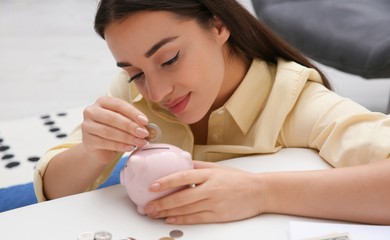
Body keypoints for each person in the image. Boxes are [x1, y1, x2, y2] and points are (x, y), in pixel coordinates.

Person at [34, 0, 390, 225]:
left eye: (170, 59)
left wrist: (262, 192)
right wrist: (93, 154)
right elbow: (51, 192)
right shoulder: (132, 95)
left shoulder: (297, 102)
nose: (156, 92)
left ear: (218, 26)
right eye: (136, 72)